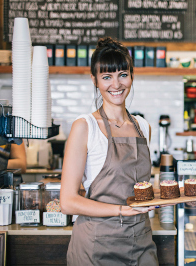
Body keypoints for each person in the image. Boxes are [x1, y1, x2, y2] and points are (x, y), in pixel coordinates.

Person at [60, 37, 158, 265]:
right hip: (97, 246)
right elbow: (68, 201)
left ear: (131, 76)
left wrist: (180, 197)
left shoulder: (143, 126)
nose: (116, 84)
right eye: (106, 77)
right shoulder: (85, 126)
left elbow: (138, 187)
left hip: (141, 242)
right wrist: (121, 210)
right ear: (94, 80)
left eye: (122, 74)